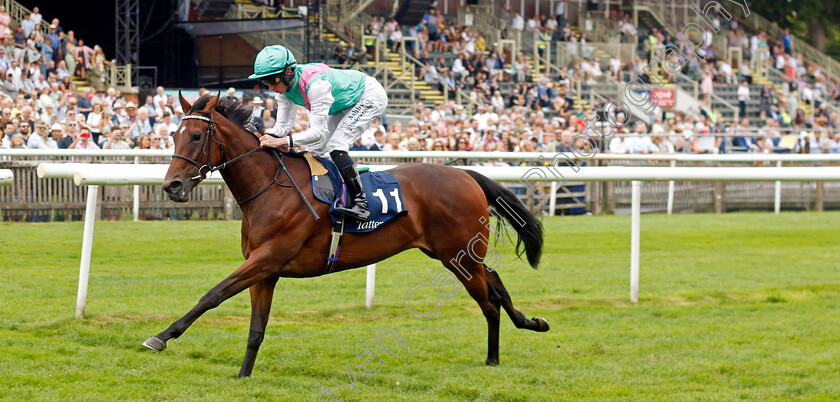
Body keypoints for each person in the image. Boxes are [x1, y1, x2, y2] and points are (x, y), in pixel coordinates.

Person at [249, 45, 388, 221]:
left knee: (336, 145)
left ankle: (361, 203)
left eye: (273, 79)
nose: (270, 86)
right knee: (314, 150)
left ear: (289, 72)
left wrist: (281, 141)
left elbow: (318, 133)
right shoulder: (283, 90)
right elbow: (281, 127)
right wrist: (264, 137)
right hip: (343, 103)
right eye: (265, 81)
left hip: (367, 95)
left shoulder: (316, 85)